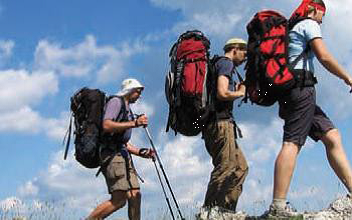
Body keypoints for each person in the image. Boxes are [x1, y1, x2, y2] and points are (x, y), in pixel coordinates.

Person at [266, 0, 352, 217]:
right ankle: (278, 206)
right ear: (314, 9)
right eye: (323, 15)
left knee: (332, 136)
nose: (322, 21)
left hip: (292, 91)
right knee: (292, 142)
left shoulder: (291, 29)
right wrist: (347, 77)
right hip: (301, 89)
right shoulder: (308, 23)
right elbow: (323, 55)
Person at [87, 78, 155, 220]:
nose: (139, 96)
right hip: (112, 155)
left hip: (122, 154)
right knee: (119, 199)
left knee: (135, 194)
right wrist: (134, 123)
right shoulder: (116, 102)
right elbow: (106, 125)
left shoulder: (127, 107)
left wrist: (142, 153)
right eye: (138, 91)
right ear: (129, 90)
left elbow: (122, 142)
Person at [201, 38, 249, 213]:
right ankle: (209, 212)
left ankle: (225, 210)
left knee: (241, 167)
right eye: (245, 53)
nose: (245, 58)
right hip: (220, 122)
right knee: (226, 166)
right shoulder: (226, 64)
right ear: (235, 49)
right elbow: (222, 93)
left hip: (215, 123)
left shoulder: (218, 65)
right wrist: (241, 92)